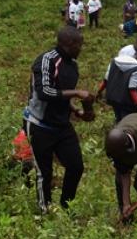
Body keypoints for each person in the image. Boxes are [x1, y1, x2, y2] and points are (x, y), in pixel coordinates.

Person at [24, 27, 92, 212]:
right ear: (68, 44)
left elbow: (61, 95)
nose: (81, 49)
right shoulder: (47, 60)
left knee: (76, 166)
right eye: (79, 45)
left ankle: (65, 207)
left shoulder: (72, 66)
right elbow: (45, 92)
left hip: (61, 125)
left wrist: (76, 111)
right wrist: (77, 93)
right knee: (44, 173)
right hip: (39, 124)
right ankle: (44, 211)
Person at [97, 50, 137, 122]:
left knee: (118, 118)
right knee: (126, 121)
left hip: (113, 98)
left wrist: (99, 92)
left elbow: (106, 80)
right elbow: (132, 88)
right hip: (127, 102)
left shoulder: (114, 61)